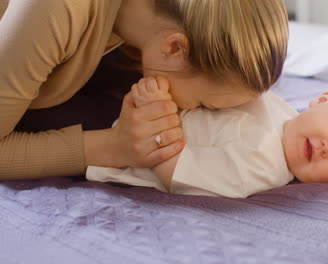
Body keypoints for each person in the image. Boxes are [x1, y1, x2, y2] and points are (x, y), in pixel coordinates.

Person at [0, 0, 289, 180]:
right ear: (174, 48)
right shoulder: (58, 8)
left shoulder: (145, 37)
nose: (193, 114)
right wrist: (112, 147)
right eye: (203, 105)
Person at [87, 77, 328, 198]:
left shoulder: (260, 169)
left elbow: (173, 171)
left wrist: (154, 109)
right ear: (324, 98)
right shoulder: (278, 105)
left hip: (116, 144)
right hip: (139, 97)